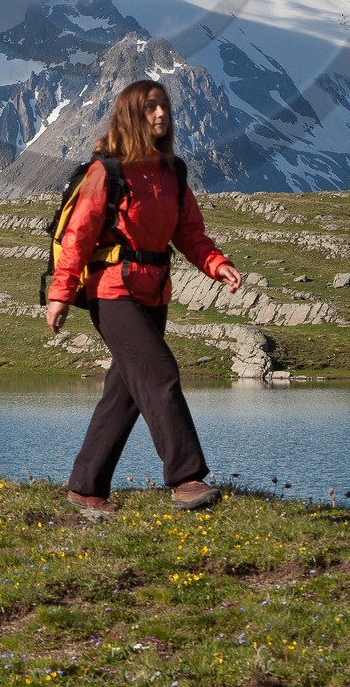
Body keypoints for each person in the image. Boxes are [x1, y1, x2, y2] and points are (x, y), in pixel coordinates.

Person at [45, 78, 243, 516]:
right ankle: (186, 479)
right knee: (159, 373)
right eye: (151, 107)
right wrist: (60, 293)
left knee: (125, 393)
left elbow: (189, 233)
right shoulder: (107, 172)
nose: (161, 114)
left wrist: (216, 263)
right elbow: (78, 235)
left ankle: (85, 486)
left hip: (154, 292)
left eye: (165, 106)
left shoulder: (173, 172)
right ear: (131, 115)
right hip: (111, 291)